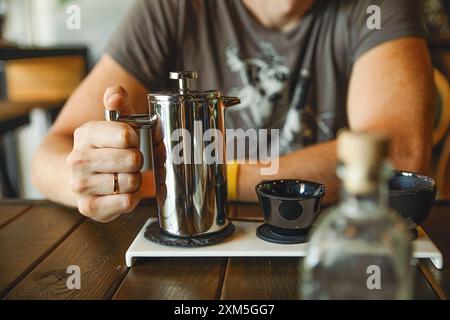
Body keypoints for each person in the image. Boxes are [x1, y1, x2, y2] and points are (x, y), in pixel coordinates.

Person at [32, 0, 434, 222]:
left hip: (332, 247)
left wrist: (186, 182)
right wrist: (89, 176)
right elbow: (52, 153)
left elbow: (397, 157)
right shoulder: (169, 9)